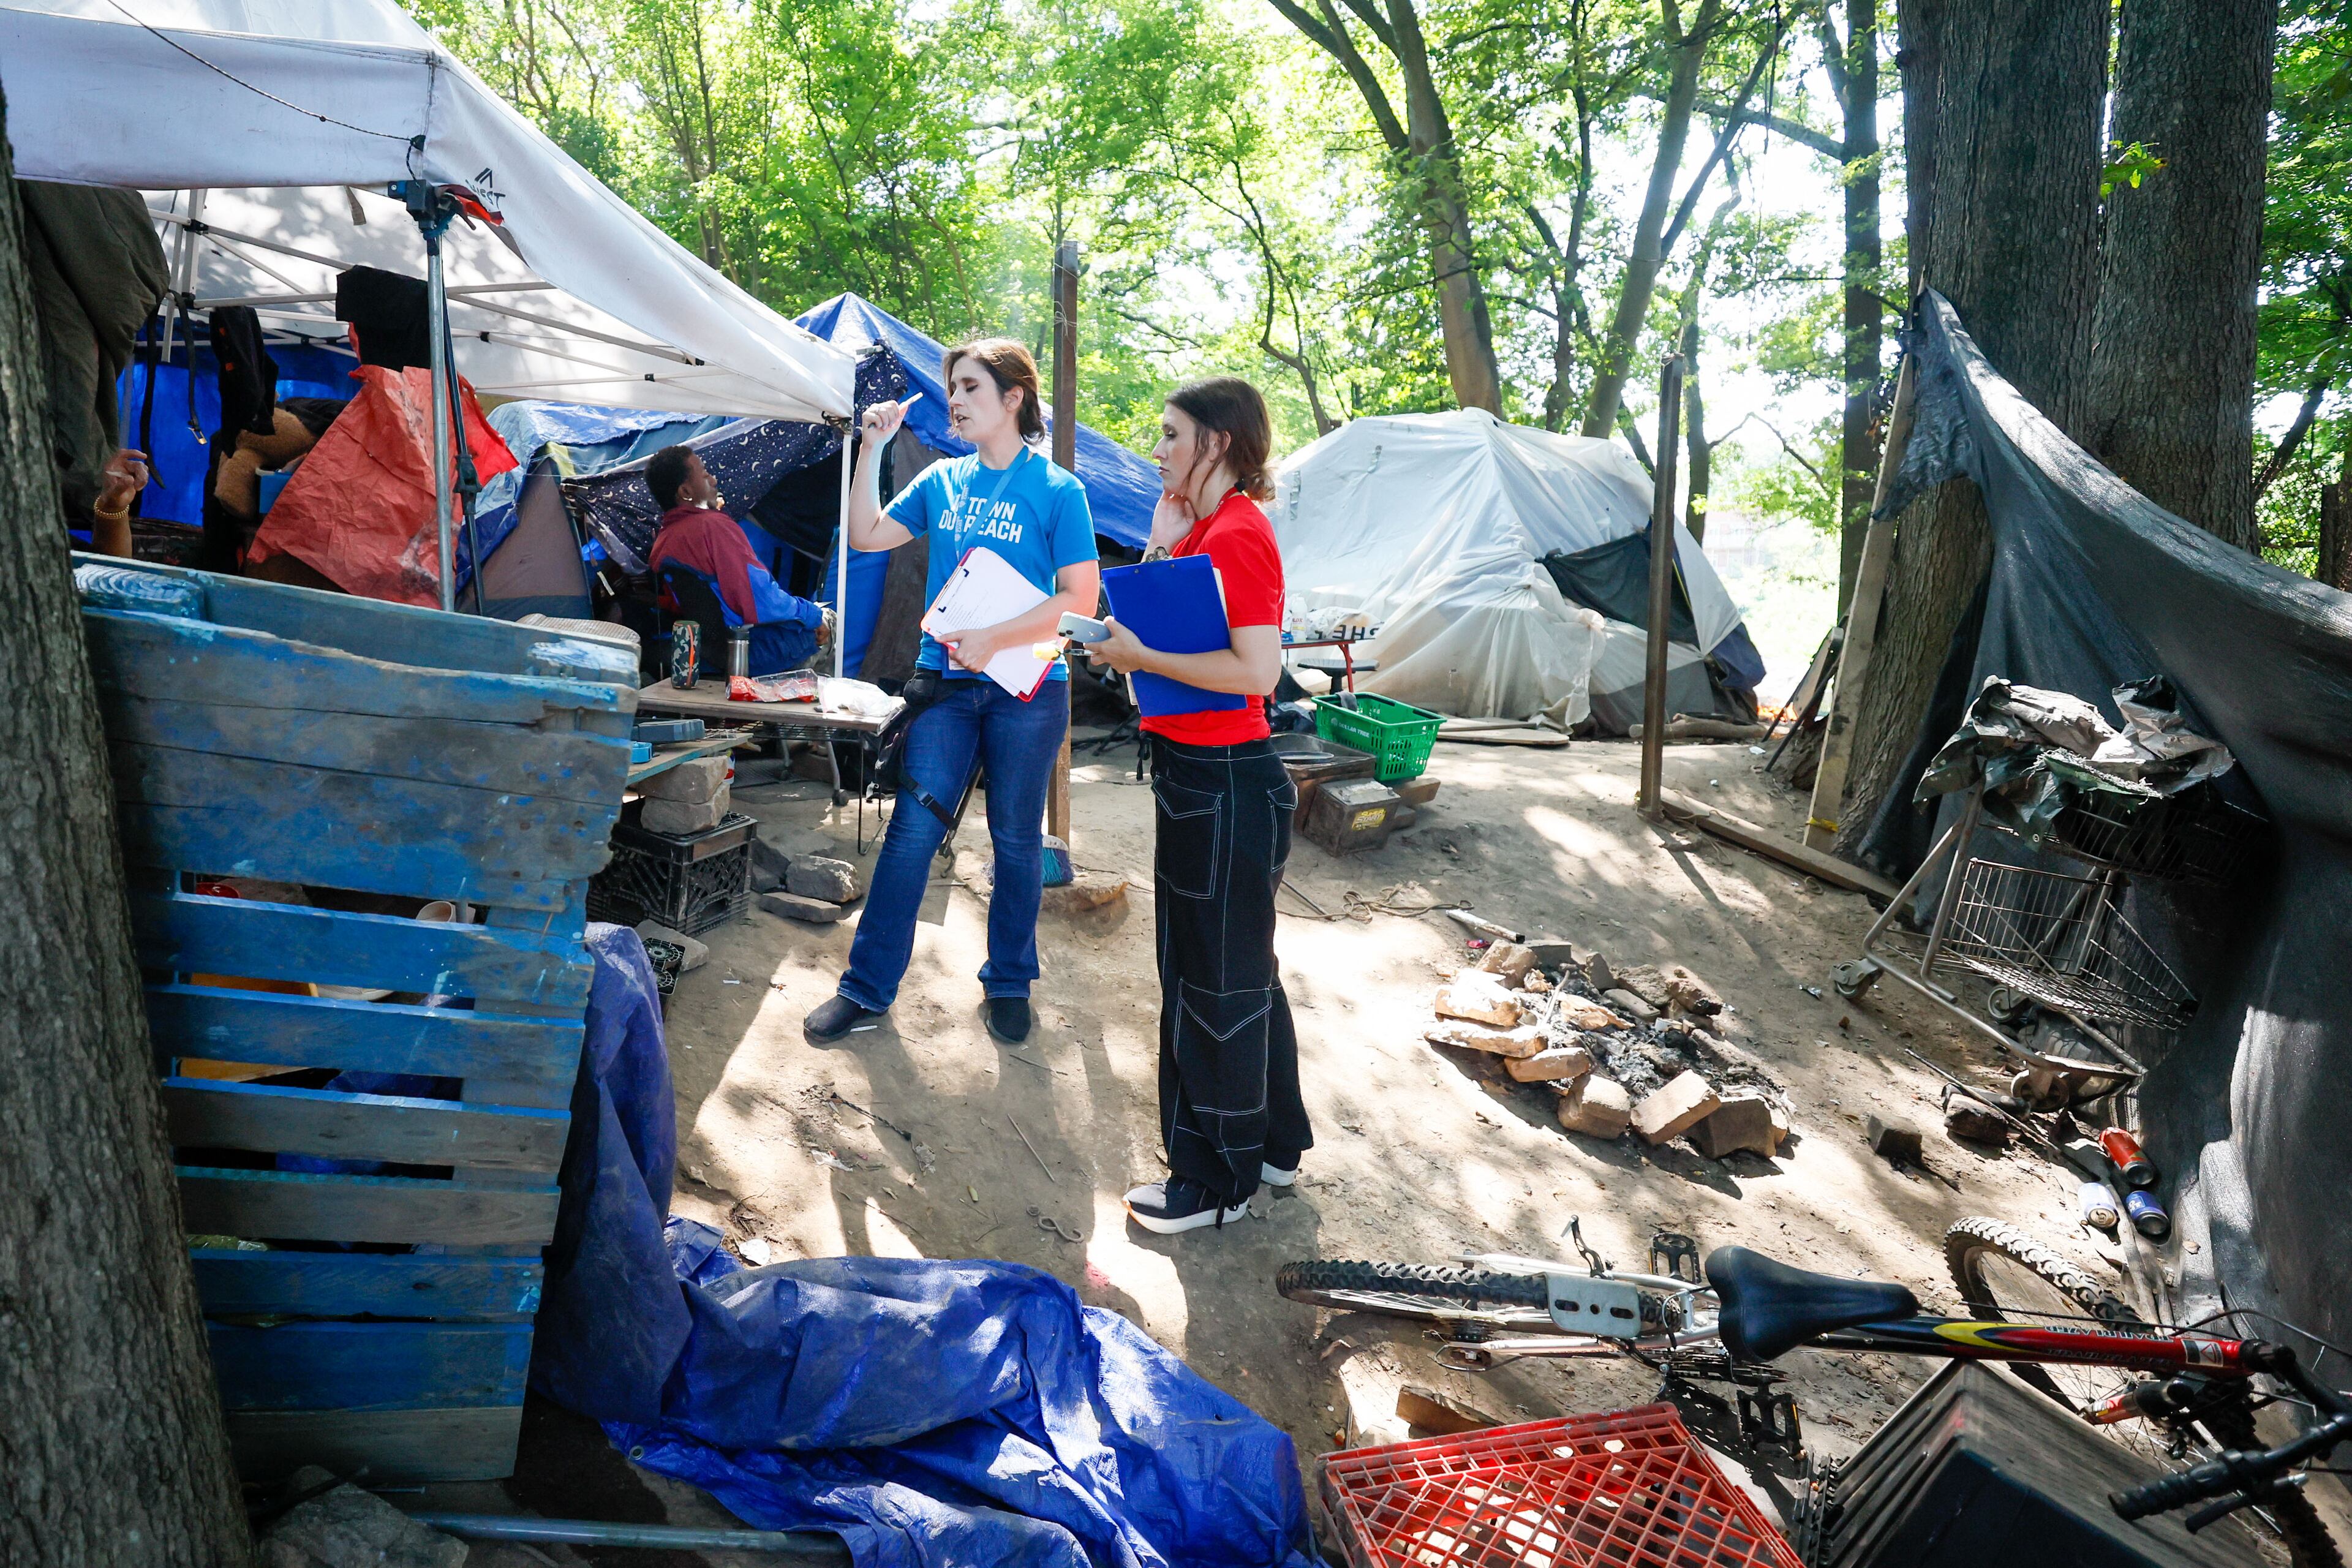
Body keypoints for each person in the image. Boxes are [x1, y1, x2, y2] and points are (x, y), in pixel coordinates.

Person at [804, 341, 1101, 1047]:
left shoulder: (1059, 491)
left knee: (1016, 842)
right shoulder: (943, 480)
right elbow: (866, 535)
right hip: (946, 686)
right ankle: (865, 989)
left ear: (1013, 398)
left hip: (1028, 692)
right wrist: (871, 447)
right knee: (912, 831)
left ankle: (1008, 982)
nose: (956, 401)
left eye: (969, 387)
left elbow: (1080, 598)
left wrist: (996, 637)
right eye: (952, 388)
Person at [1087, 377, 1308, 1235]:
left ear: (1217, 442)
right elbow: (1154, 632)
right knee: (1241, 971)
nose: (1159, 449)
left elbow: (1258, 674)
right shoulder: (1205, 531)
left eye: (1172, 434)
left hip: (1225, 783)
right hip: (1200, 778)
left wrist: (1140, 655)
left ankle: (1218, 1183)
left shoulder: (1242, 536)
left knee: (1208, 983)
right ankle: (1278, 1145)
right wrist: (1157, 546)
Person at [646, 446, 831, 674]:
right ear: (686, 492)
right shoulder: (713, 527)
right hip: (748, 655)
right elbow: (761, 600)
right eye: (704, 475)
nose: (713, 480)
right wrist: (812, 615)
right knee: (827, 622)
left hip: (706, 656)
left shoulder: (664, 540)